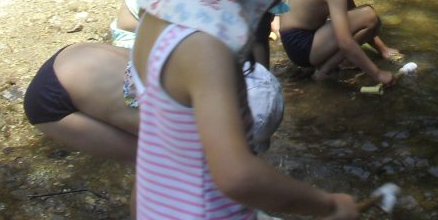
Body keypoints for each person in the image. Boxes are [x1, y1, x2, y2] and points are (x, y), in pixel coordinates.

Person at [131, 0, 368, 219]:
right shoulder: (205, 50)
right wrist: (328, 206)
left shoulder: (160, 15)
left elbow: (157, 148)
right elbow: (237, 176)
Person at [24, 42, 286, 164]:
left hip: (76, 53)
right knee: (159, 161)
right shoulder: (179, 123)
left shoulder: (203, 69)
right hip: (50, 103)